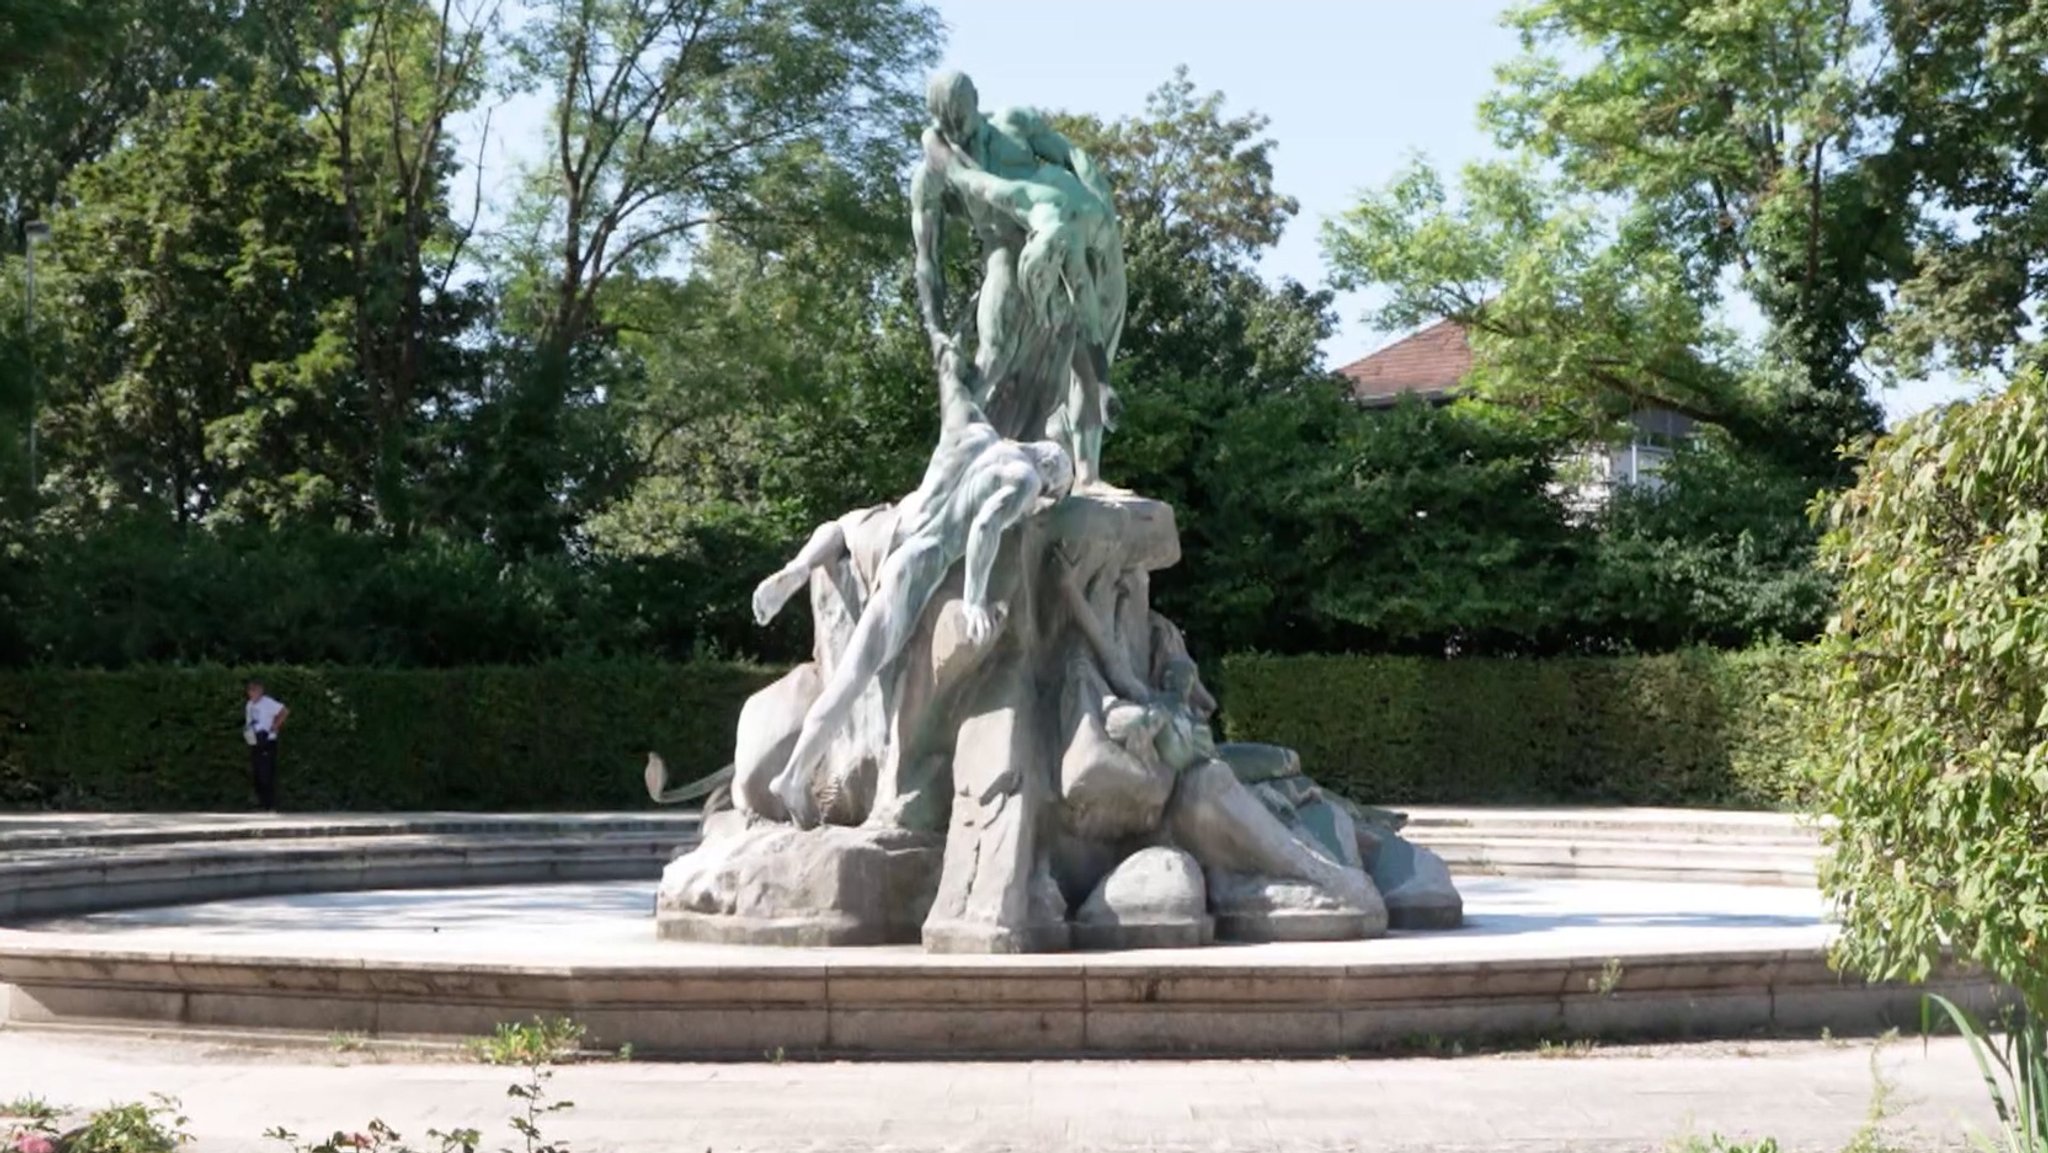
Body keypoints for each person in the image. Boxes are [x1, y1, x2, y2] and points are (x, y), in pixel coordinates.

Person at [763, 337, 1074, 828]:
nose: (1041, 504)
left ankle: (802, 565)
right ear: (1052, 469)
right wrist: (973, 598)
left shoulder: (974, 431)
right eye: (1052, 494)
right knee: (852, 678)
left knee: (845, 525)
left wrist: (947, 340)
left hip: (891, 530)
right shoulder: (1024, 478)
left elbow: (950, 372)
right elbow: (987, 526)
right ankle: (793, 775)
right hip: (917, 566)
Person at [243, 680, 288, 810]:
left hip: (267, 739)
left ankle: (270, 804)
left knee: (266, 772)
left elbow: (284, 711)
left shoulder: (268, 703)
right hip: (254, 739)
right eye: (250, 691)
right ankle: (260, 802)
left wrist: (275, 726)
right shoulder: (249, 705)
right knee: (256, 772)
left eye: (255, 690)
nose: (252, 693)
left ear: (260, 691)